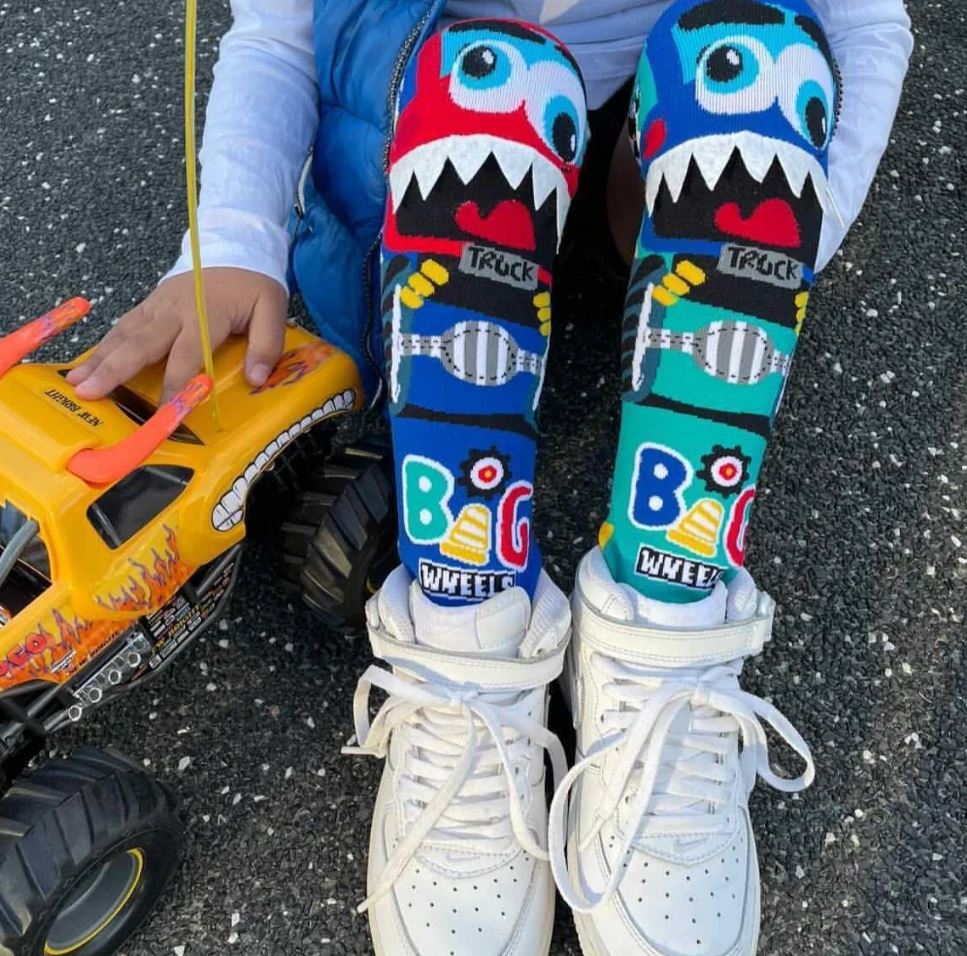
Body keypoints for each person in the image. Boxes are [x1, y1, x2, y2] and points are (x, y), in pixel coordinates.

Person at [68, 1, 913, 953]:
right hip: (439, 196)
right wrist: (230, 241)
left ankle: (663, 610)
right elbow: (277, 32)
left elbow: (866, 24)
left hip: (663, 186)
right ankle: (467, 616)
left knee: (750, 62)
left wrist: (778, 256)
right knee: (486, 78)